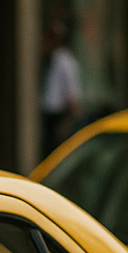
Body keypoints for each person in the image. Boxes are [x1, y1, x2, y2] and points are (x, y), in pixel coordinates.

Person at [41, 20, 83, 156]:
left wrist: (66, 123)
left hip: (59, 116)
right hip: (48, 115)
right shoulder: (48, 59)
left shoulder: (66, 62)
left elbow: (72, 95)